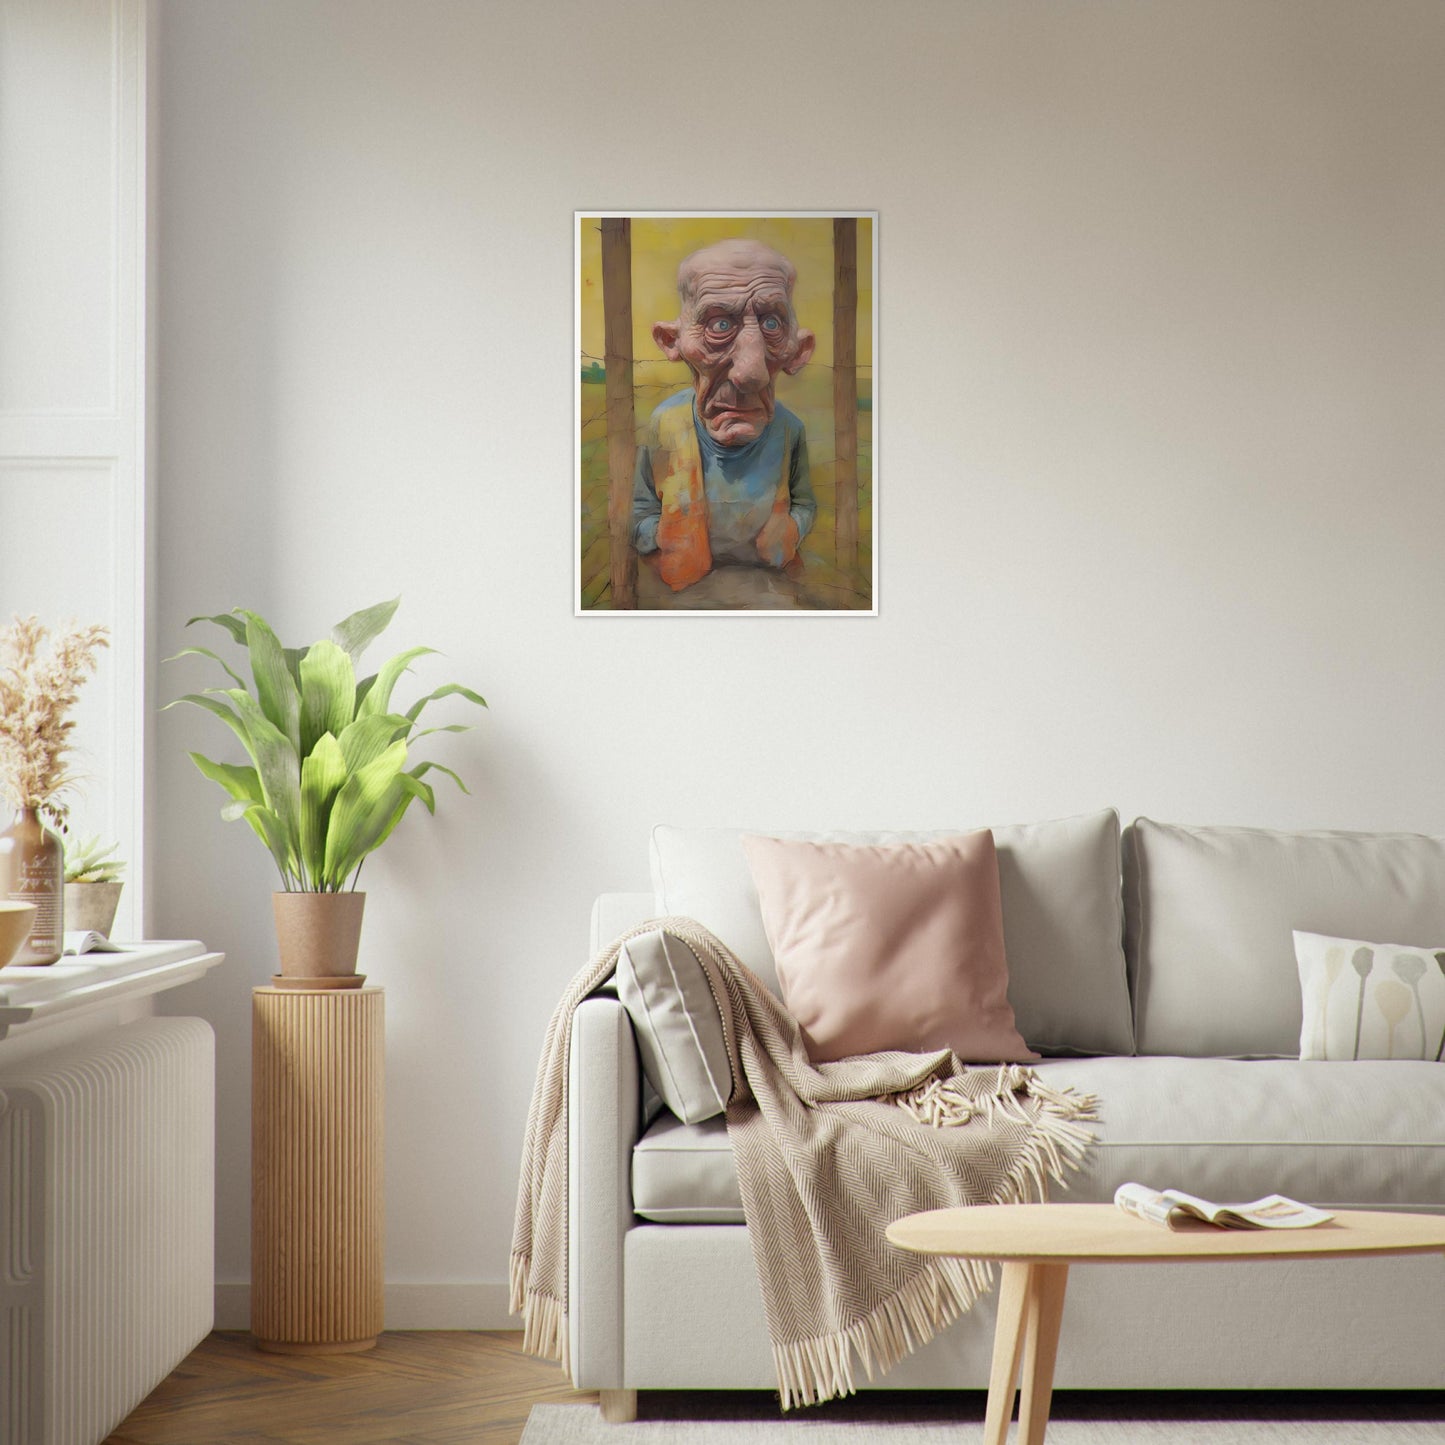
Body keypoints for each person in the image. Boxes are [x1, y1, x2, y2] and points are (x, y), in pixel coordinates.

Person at [631, 239, 817, 595]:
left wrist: (792, 528)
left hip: (769, 586)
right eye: (719, 325)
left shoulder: (790, 429)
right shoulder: (666, 424)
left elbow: (805, 502)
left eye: (772, 324)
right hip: (683, 587)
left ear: (798, 350)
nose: (751, 372)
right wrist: (664, 535)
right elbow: (639, 513)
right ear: (672, 341)